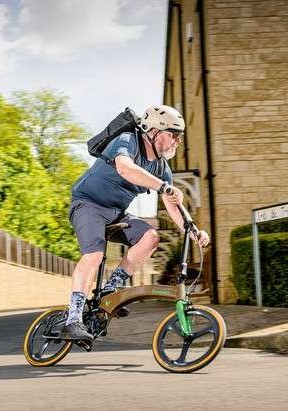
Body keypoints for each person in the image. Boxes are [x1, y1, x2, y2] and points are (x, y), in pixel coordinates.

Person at [60, 105, 211, 341]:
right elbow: (125, 168)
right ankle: (73, 319)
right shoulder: (128, 140)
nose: (177, 141)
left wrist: (192, 230)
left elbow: (173, 205)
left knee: (150, 237)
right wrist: (162, 186)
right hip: (87, 204)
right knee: (95, 255)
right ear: (154, 131)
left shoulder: (162, 167)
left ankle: (111, 290)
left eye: (179, 137)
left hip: (116, 212)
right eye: (173, 134)